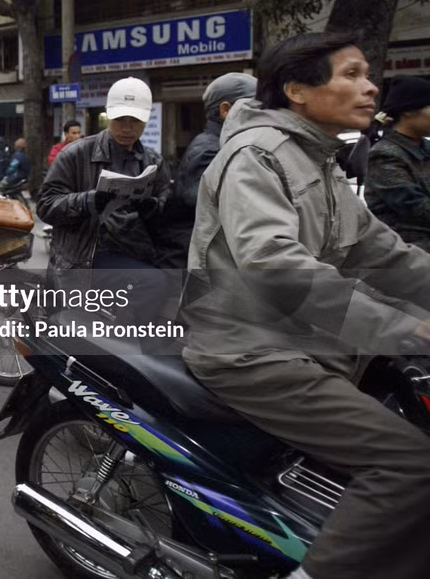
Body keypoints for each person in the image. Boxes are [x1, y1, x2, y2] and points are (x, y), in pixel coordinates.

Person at [183, 30, 430, 579]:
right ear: (297, 89)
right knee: (408, 465)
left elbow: (388, 253)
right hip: (252, 352)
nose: (371, 88)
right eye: (352, 74)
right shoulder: (256, 157)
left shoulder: (320, 162)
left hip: (311, 341)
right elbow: (277, 267)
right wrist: (403, 327)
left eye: (369, 75)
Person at [37, 78, 173, 329]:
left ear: (146, 121)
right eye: (121, 119)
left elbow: (165, 206)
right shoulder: (76, 154)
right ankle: (130, 353)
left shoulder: (153, 161)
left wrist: (152, 206)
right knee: (153, 283)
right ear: (109, 115)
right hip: (83, 256)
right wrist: (89, 200)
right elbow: (46, 205)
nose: (128, 128)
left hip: (132, 251)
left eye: (135, 121)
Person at [155, 73, 259, 269]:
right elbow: (211, 206)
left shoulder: (227, 143)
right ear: (225, 110)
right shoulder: (210, 150)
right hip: (192, 257)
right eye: (255, 107)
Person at [364, 76, 430, 251]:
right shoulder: (385, 154)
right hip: (408, 249)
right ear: (408, 111)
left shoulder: (426, 147)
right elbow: (413, 206)